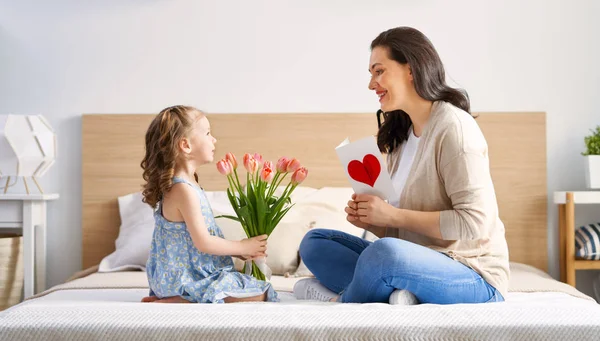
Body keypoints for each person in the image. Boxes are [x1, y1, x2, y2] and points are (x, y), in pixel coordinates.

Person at [294, 26, 509, 305]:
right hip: (412, 262)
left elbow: (473, 223)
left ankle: (341, 302)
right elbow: (401, 235)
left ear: (411, 69)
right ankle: (399, 294)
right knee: (315, 243)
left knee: (384, 255)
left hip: (472, 273)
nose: (372, 84)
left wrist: (392, 217)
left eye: (379, 71)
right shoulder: (401, 135)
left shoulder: (454, 128)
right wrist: (375, 221)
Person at [139, 105, 278, 303]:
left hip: (180, 276)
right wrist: (240, 246)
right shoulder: (183, 189)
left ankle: (178, 297)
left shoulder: (187, 185)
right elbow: (203, 242)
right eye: (207, 133)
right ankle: (181, 300)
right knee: (262, 293)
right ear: (185, 145)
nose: (214, 140)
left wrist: (241, 251)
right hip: (186, 278)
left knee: (255, 288)